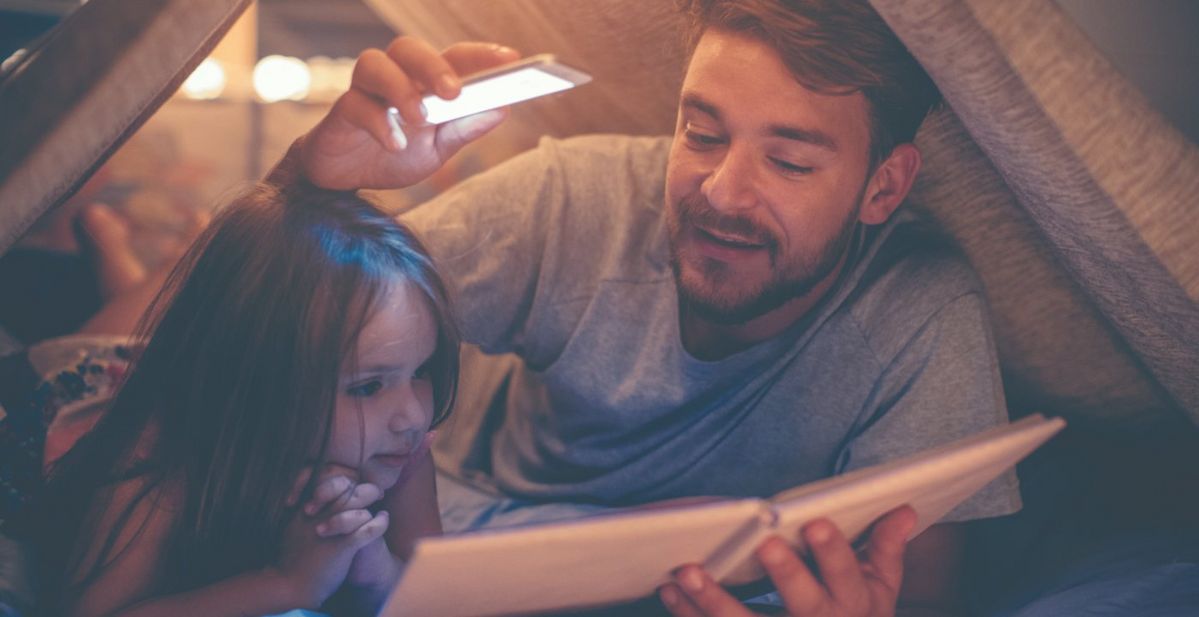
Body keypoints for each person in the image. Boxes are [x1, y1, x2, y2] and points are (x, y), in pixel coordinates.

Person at [281, 0, 1019, 614]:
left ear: (883, 188)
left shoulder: (920, 308)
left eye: (789, 161)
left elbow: (923, 593)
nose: (722, 191)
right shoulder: (571, 199)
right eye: (700, 133)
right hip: (479, 525)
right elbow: (275, 329)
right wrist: (308, 181)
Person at [16, 184, 461, 617]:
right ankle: (116, 246)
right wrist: (284, 583)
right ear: (261, 383)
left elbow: (435, 595)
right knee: (113, 344)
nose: (413, 416)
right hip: (80, 391)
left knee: (146, 330)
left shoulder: (399, 449)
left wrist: (375, 574)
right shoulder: (158, 463)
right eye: (368, 386)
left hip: (179, 364)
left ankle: (152, 265)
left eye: (420, 371)